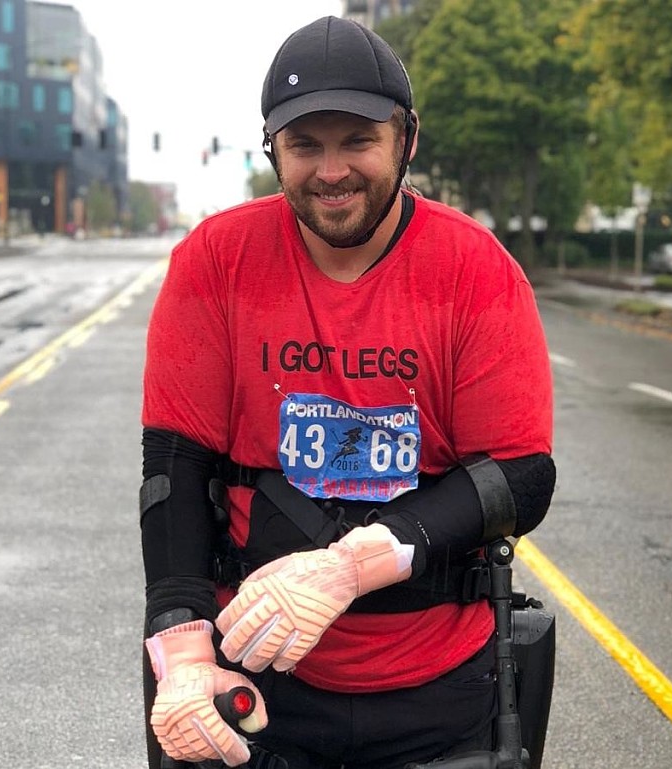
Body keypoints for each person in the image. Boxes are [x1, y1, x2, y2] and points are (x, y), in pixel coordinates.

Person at [139, 15, 555, 769]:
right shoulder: (214, 261)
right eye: (305, 145)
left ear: (407, 139)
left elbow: (520, 477)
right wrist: (183, 651)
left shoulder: (476, 270)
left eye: (358, 140)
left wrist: (352, 565)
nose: (331, 171)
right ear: (273, 149)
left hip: (439, 687)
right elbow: (175, 470)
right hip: (258, 679)